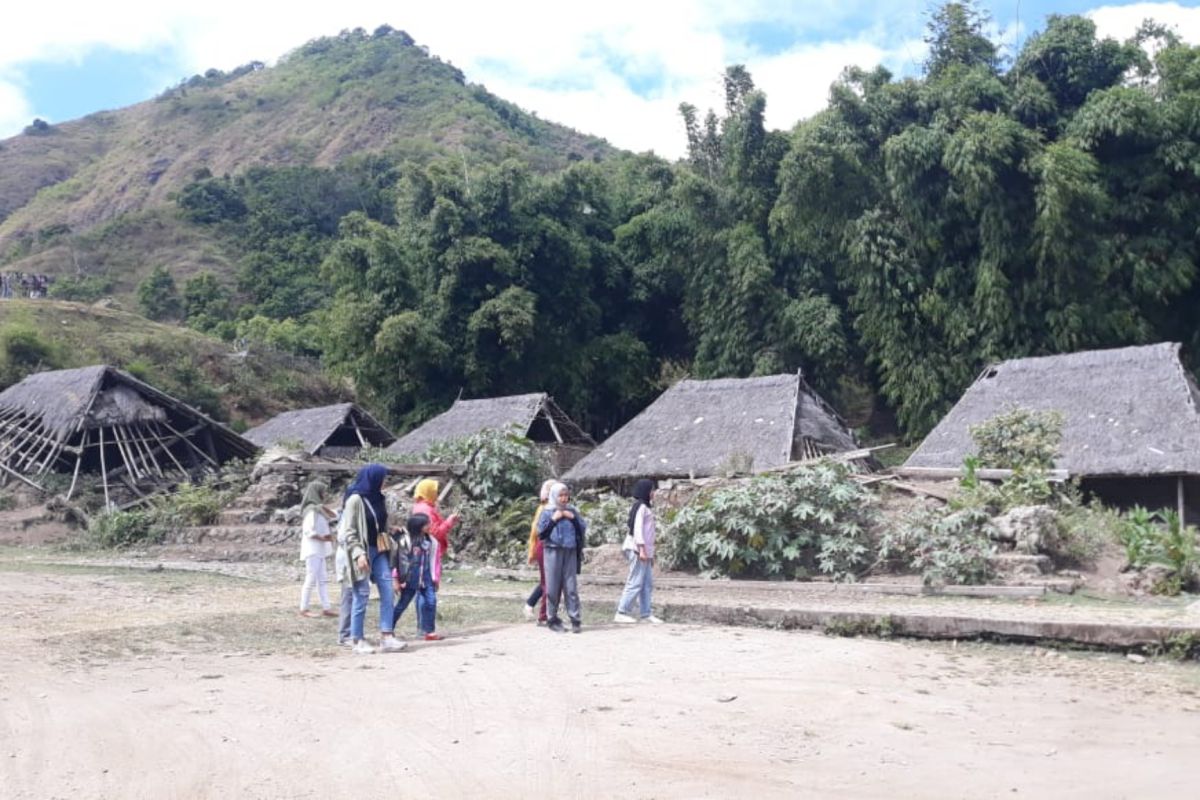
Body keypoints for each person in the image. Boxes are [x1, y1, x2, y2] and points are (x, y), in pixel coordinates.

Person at [338, 464, 406, 654]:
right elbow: (349, 532)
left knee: (387, 590)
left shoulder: (380, 499)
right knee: (362, 594)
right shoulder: (354, 500)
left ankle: (387, 636)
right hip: (363, 553)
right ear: (374, 478)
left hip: (380, 551)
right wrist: (358, 553)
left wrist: (390, 530)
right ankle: (357, 639)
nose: (386, 481)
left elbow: (380, 522)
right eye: (383, 478)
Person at [537, 482, 586, 633]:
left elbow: (582, 529)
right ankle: (552, 619)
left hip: (569, 551)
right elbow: (541, 534)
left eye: (566, 495)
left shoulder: (572, 511)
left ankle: (575, 619)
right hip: (552, 551)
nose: (564, 499)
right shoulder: (547, 512)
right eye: (561, 495)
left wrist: (572, 518)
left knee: (571, 587)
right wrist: (554, 519)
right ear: (554, 496)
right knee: (552, 587)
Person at [411, 479, 459, 630]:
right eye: (434, 490)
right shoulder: (426, 510)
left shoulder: (420, 506)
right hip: (427, 555)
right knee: (426, 591)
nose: (437, 493)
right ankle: (425, 628)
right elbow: (435, 533)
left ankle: (423, 627)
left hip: (425, 553)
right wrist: (450, 521)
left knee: (423, 591)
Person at [614, 479, 662, 624]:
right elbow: (638, 530)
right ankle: (621, 611)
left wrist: (649, 553)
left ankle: (646, 613)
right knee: (635, 581)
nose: (653, 493)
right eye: (651, 490)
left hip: (644, 550)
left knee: (646, 583)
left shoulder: (646, 507)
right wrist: (641, 549)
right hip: (636, 549)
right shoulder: (640, 507)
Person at [391, 513, 441, 640]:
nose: (430, 526)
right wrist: (396, 579)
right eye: (427, 524)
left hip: (426, 578)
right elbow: (399, 561)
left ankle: (429, 632)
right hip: (410, 579)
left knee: (431, 602)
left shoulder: (431, 541)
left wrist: (435, 578)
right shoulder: (406, 542)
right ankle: (388, 629)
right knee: (402, 605)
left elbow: (435, 561)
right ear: (418, 526)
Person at [298, 480, 336, 618]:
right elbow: (309, 532)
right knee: (311, 579)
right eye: (323, 492)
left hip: (319, 550)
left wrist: (323, 507)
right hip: (312, 549)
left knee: (323, 579)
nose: (325, 494)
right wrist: (325, 539)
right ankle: (304, 608)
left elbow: (334, 515)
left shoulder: (318, 509)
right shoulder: (311, 511)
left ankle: (326, 607)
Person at [523, 479, 556, 622]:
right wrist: (533, 552)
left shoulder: (555, 507)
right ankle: (542, 614)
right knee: (547, 582)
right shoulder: (545, 509)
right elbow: (535, 532)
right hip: (544, 547)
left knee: (548, 581)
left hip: (549, 548)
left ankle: (531, 605)